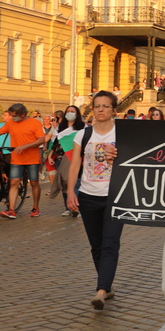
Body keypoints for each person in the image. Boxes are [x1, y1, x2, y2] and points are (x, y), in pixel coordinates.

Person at [67, 91, 124, 310]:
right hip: (88, 196)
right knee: (96, 245)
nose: (100, 110)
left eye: (105, 106)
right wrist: (71, 191)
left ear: (113, 110)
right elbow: (74, 166)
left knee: (110, 242)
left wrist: (118, 155)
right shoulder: (83, 135)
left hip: (115, 195)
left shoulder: (122, 134)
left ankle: (101, 290)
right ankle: (107, 286)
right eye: (97, 106)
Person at [0, 103, 48, 219]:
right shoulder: (11, 123)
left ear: (23, 114)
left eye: (14, 115)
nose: (12, 118)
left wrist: (25, 146)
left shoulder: (34, 123)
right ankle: (11, 210)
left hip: (32, 159)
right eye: (11, 115)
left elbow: (41, 140)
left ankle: (35, 207)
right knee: (13, 182)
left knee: (34, 183)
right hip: (17, 158)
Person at [51, 105, 86, 216]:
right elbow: (54, 142)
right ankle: (68, 207)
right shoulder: (60, 127)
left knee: (75, 182)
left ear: (77, 114)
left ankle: (76, 207)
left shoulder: (82, 127)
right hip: (60, 157)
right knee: (64, 183)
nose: (70, 113)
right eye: (68, 111)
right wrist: (49, 156)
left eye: (72, 111)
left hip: (75, 157)